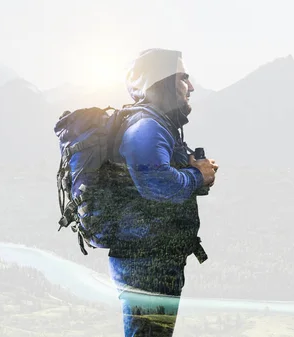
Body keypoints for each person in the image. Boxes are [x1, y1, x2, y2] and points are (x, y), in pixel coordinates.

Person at [106, 48, 218, 337]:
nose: (191, 87)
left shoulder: (156, 125)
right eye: (183, 79)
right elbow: (158, 183)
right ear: (163, 82)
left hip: (152, 261)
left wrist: (190, 167)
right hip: (147, 264)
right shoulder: (147, 126)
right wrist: (197, 175)